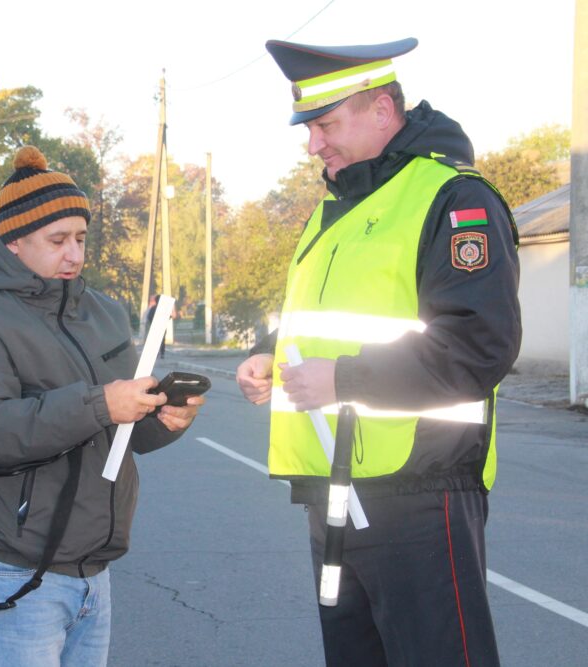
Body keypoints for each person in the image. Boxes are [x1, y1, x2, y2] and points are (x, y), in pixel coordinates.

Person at [236, 38, 520, 666]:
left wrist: (342, 379)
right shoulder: (336, 209)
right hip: (334, 490)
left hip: (420, 488)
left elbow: (477, 346)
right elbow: (332, 320)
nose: (314, 145)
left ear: (381, 111)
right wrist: (270, 354)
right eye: (309, 129)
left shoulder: (454, 199)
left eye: (326, 125)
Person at [0, 145, 204, 667]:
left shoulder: (101, 312)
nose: (74, 254)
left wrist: (167, 418)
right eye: (57, 240)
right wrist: (101, 403)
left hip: (95, 571)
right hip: (18, 574)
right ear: (12, 242)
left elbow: (128, 432)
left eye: (80, 238)